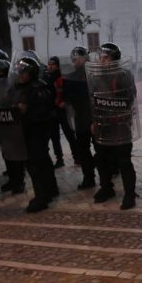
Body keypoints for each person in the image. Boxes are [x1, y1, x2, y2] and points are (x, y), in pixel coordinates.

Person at [88, 43, 138, 210]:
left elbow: (129, 99)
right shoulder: (95, 77)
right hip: (103, 126)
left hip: (120, 126)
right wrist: (93, 122)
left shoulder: (124, 76)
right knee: (101, 160)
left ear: (114, 58)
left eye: (106, 57)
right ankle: (107, 188)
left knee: (124, 162)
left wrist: (112, 104)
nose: (102, 60)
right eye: (101, 57)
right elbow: (93, 102)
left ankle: (130, 195)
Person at [19, 54, 58, 213]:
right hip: (33, 132)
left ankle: (41, 197)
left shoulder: (37, 88)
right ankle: (51, 189)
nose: (20, 75)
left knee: (35, 165)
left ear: (32, 72)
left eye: (24, 72)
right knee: (44, 162)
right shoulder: (28, 87)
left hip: (36, 132)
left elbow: (44, 112)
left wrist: (26, 111)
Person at [0, 59, 29, 195]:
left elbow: (14, 98)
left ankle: (19, 182)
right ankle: (13, 180)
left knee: (17, 154)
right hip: (2, 123)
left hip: (13, 124)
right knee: (7, 154)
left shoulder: (13, 84)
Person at [61, 46, 97, 189]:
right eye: (73, 60)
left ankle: (108, 175)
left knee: (101, 150)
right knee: (83, 150)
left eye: (77, 59)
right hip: (80, 118)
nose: (75, 62)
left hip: (95, 117)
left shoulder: (94, 74)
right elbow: (67, 98)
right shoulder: (71, 77)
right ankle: (89, 178)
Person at [45, 56, 77, 168]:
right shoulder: (47, 78)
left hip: (62, 110)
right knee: (55, 137)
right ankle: (59, 159)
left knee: (69, 134)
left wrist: (65, 102)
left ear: (57, 66)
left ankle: (77, 157)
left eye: (52, 64)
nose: (50, 66)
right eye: (49, 64)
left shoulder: (63, 78)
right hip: (52, 111)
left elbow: (68, 92)